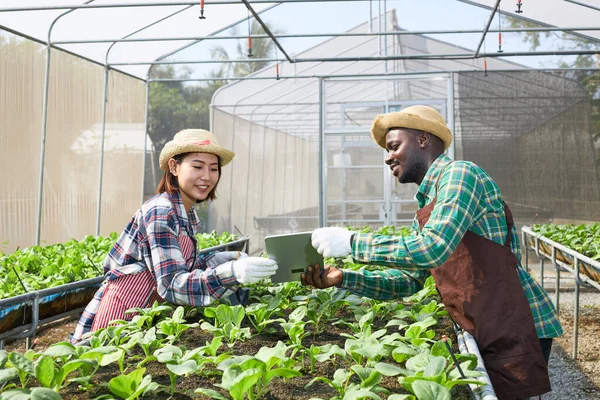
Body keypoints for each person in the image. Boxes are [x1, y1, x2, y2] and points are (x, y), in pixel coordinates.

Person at [304, 105, 561, 400]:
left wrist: (352, 243)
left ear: (423, 139)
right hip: (482, 320)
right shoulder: (427, 206)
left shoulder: (461, 175)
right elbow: (409, 280)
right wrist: (344, 278)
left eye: (393, 146)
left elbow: (433, 248)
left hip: (512, 319)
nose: (387, 157)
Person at [71, 129, 277, 343]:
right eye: (197, 166)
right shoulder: (161, 210)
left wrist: (220, 259)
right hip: (122, 316)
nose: (207, 176)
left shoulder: (186, 214)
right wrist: (230, 273)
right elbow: (171, 283)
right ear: (174, 166)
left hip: (146, 317)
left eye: (213, 169)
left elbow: (181, 265)